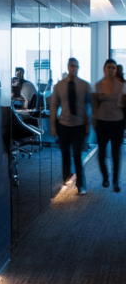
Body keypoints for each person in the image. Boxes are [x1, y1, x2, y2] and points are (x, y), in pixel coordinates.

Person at [49, 57, 91, 195]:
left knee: (78, 156)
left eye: (76, 66)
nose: (74, 68)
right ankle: (66, 181)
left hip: (79, 126)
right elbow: (54, 106)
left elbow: (89, 106)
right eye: (72, 66)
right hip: (64, 126)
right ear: (68, 67)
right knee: (65, 155)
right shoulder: (59, 85)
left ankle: (81, 185)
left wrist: (88, 124)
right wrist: (53, 127)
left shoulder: (84, 85)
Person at [91, 59, 125, 192]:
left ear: (116, 70)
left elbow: (124, 104)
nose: (111, 70)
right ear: (104, 69)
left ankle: (115, 181)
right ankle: (105, 176)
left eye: (114, 67)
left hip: (117, 121)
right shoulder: (97, 85)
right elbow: (94, 105)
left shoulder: (122, 85)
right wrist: (94, 120)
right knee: (102, 152)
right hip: (102, 121)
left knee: (116, 153)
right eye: (109, 67)